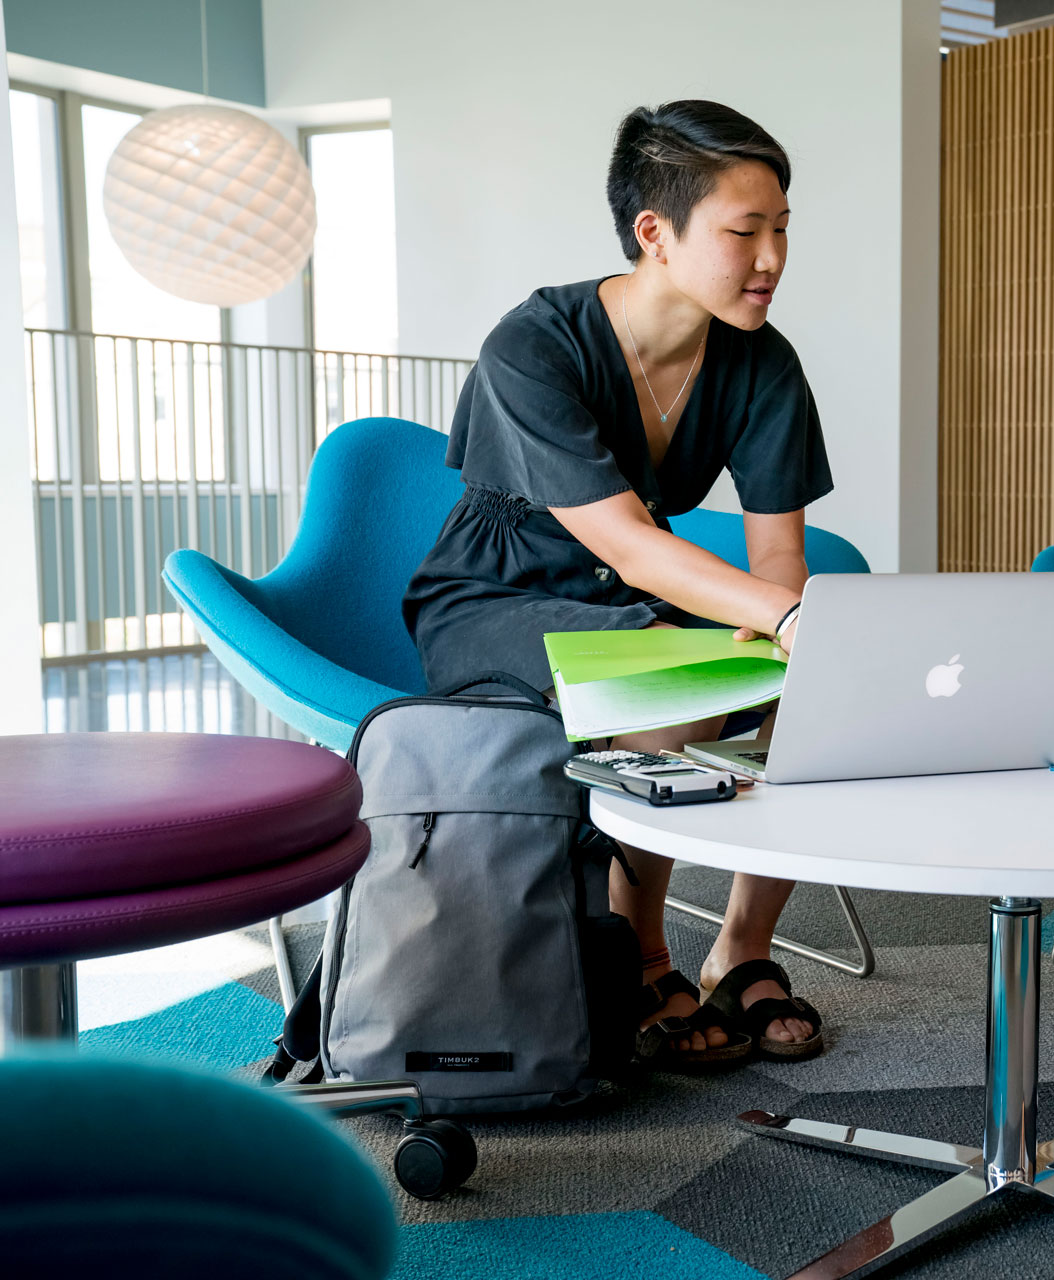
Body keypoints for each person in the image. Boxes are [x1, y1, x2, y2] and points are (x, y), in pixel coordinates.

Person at [404, 101, 833, 1071]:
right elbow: (636, 548)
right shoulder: (534, 344)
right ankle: (643, 954)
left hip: (628, 603)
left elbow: (777, 567)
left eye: (782, 230)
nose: (770, 257)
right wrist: (791, 620)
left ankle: (743, 947)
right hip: (495, 597)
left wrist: (799, 641)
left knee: (809, 690)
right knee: (663, 689)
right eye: (743, 232)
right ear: (656, 233)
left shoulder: (764, 363)